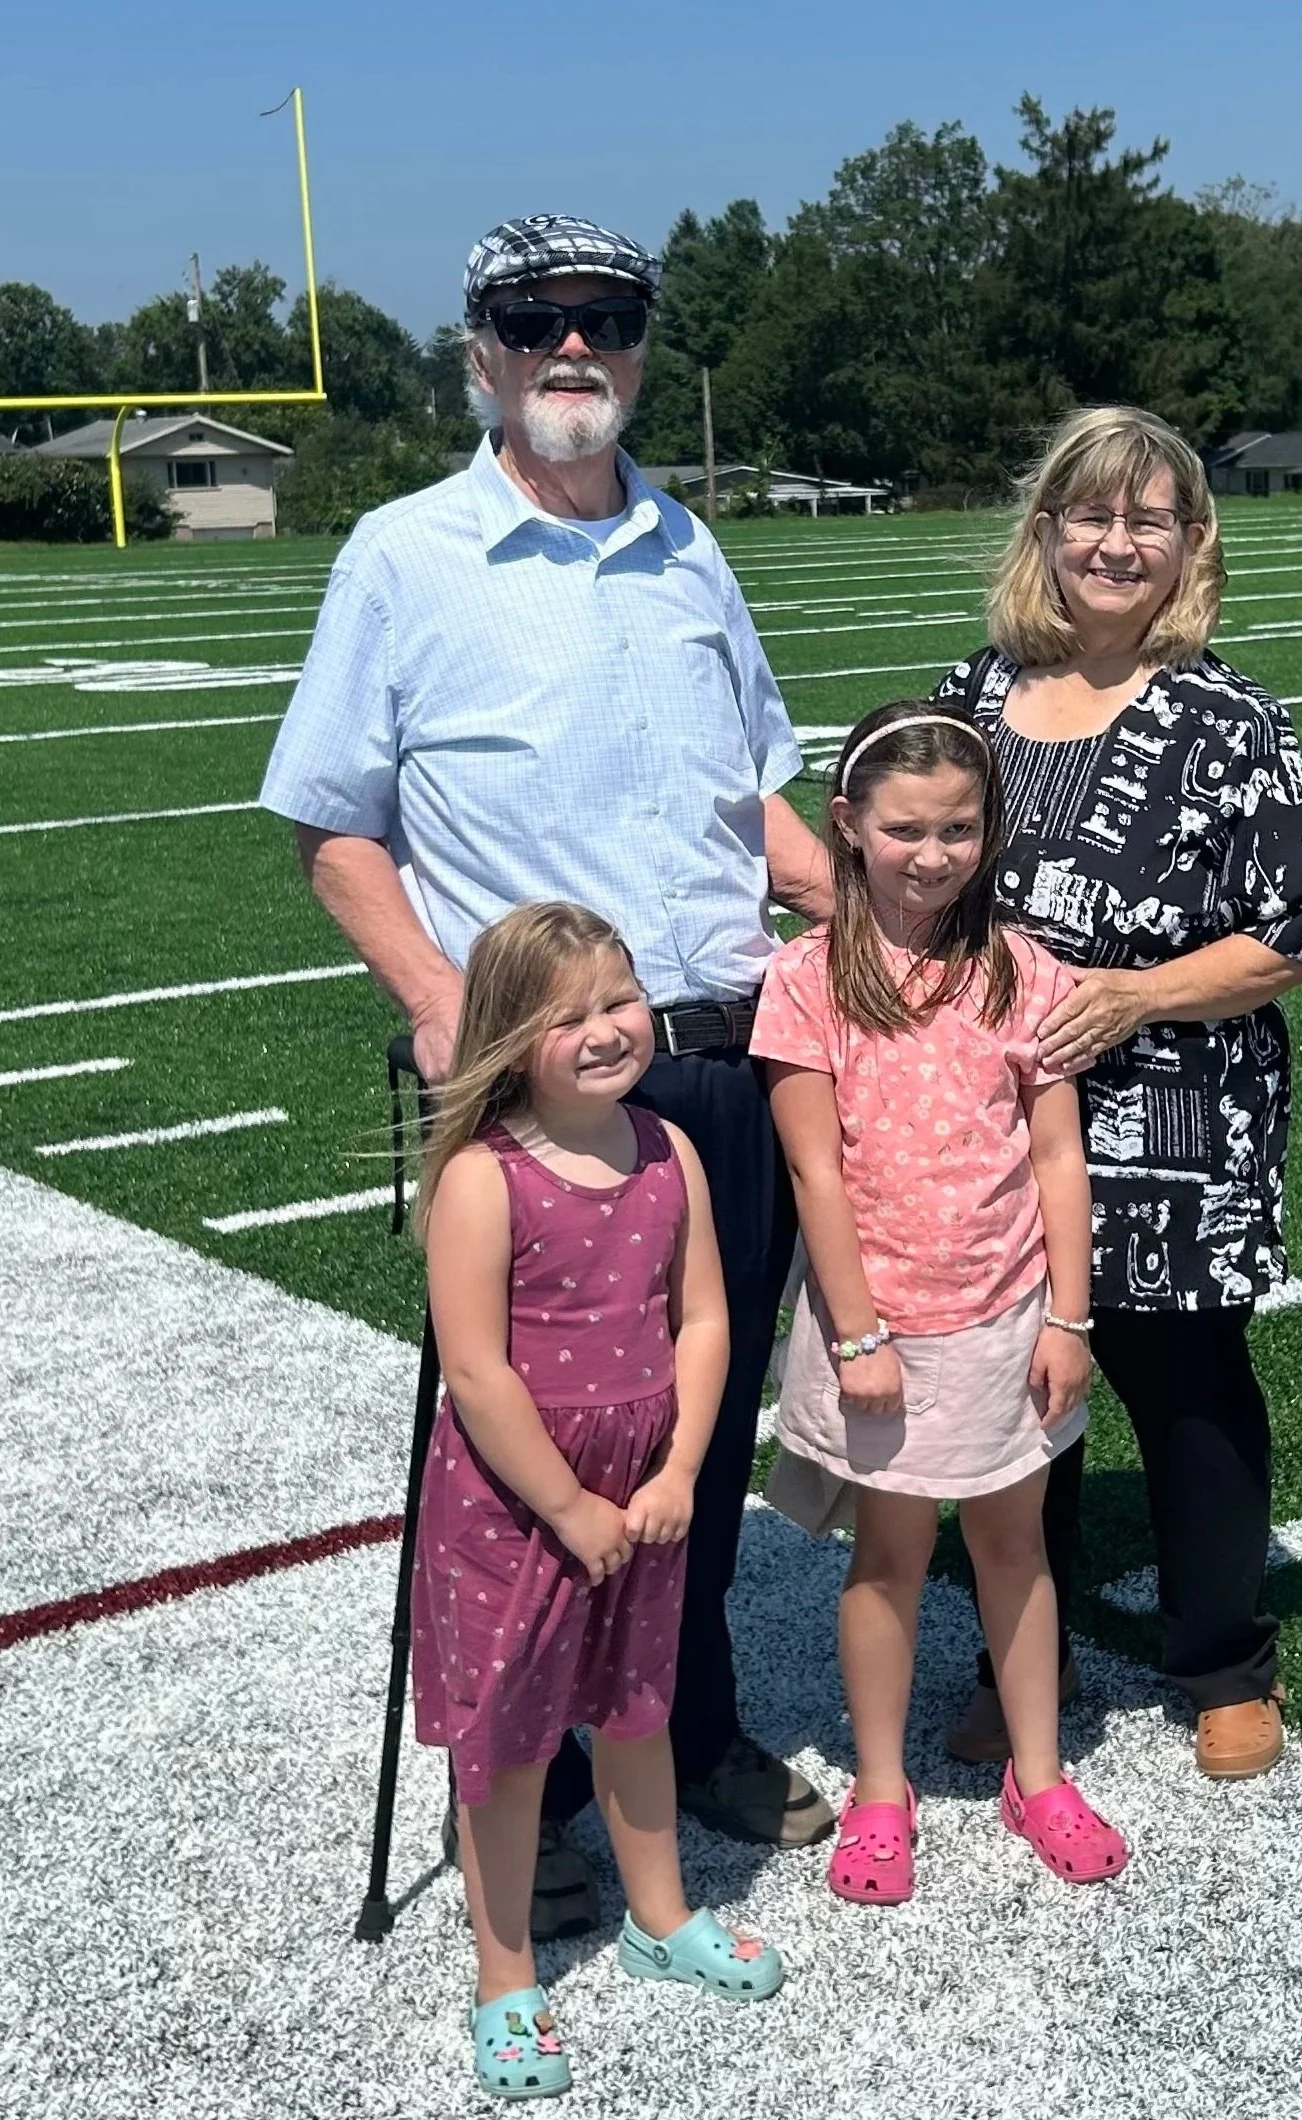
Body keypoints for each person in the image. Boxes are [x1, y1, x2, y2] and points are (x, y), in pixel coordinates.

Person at [259, 212, 837, 1938]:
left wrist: (891, 929)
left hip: (720, 1065)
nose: (573, 347)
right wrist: (441, 1001)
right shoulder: (402, 554)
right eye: (537, 320)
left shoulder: (689, 549)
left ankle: (690, 1721)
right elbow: (334, 828)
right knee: (522, 1463)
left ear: (643, 345)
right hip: (538, 1096)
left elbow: (760, 810)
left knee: (700, 1426)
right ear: (482, 348)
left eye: (606, 319)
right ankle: (542, 1784)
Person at [931, 405, 1302, 1782]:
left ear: (1189, 545)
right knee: (1015, 1397)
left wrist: (1142, 992)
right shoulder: (975, 694)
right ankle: (1019, 1657)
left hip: (1177, 1111)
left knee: (1183, 1384)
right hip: (992, 1120)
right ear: (1043, 531)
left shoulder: (1234, 719)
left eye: (1147, 520)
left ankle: (1223, 1657)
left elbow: (1298, 927)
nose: (1116, 542)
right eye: (1090, 514)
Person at [750, 702, 1129, 1899]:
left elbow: (1056, 1157)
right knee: (889, 1556)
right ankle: (877, 1786)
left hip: (1008, 1318)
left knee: (1015, 1549)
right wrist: (857, 1334)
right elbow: (815, 1169)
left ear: (989, 831)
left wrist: (1069, 1316)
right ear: (849, 826)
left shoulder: (1023, 970)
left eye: (959, 827)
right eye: (906, 827)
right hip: (879, 1330)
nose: (932, 852)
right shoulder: (804, 978)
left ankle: (1037, 1770)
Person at [416, 901, 784, 2101]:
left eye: (616, 1001)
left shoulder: (666, 1146)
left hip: (645, 1485)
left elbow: (708, 1318)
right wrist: (569, 1505)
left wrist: (679, 1468)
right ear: (507, 1036)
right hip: (521, 1503)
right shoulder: (483, 1176)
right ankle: (503, 1971)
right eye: (563, 1014)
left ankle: (658, 1912)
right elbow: (474, 1370)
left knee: (637, 1706)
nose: (601, 1029)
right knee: (510, 1743)